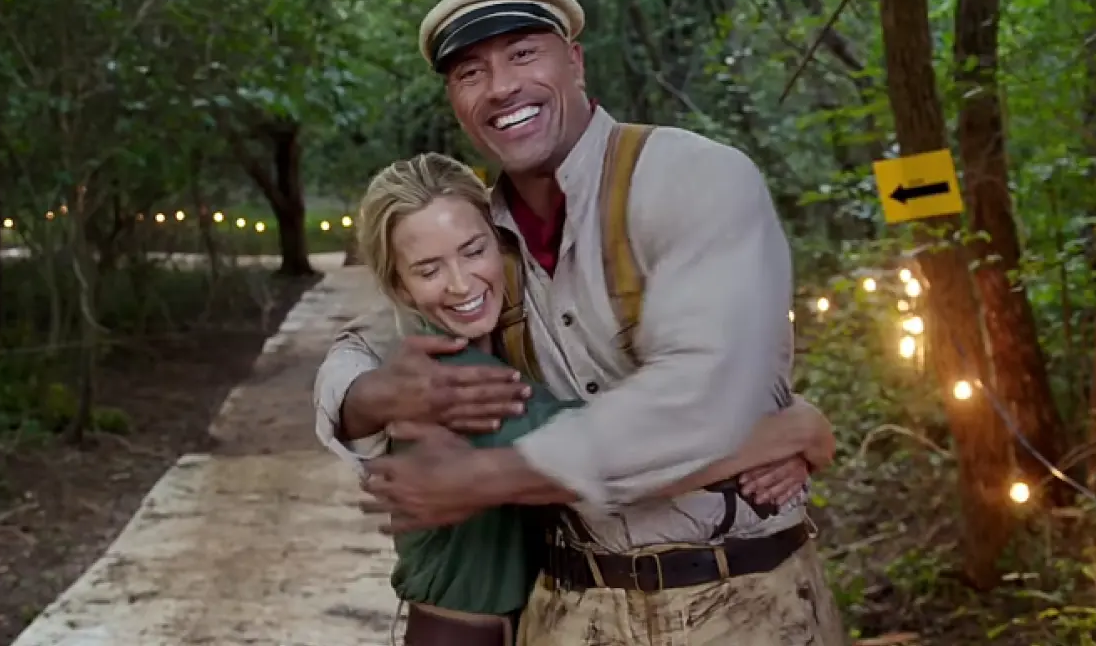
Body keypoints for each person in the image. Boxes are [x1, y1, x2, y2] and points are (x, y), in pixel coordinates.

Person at [315, 0, 846, 645]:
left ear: (575, 61)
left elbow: (699, 404)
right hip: (573, 609)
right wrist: (375, 395)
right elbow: (369, 343)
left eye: (523, 53)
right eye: (471, 72)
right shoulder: (479, 238)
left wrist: (486, 477)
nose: (501, 87)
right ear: (456, 102)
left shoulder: (691, 177)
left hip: (744, 602)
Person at [346, 152, 835, 645]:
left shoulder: (513, 347)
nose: (460, 283)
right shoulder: (451, 384)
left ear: (501, 243)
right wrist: (795, 431)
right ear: (401, 287)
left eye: (473, 251)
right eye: (428, 270)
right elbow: (633, 456)